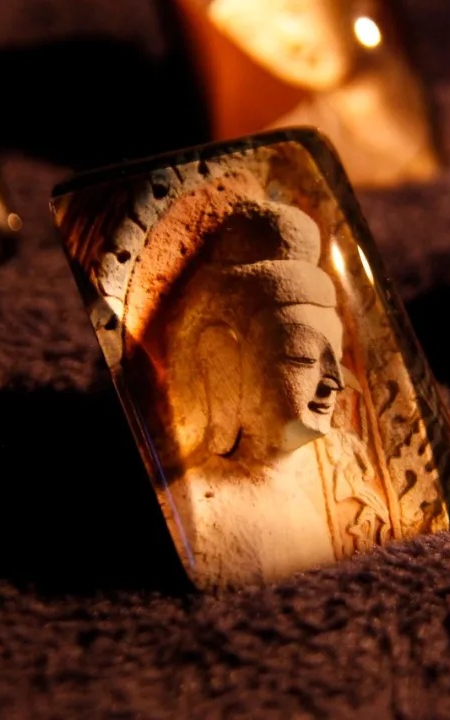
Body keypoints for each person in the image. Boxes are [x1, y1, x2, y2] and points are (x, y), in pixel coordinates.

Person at [161, 199, 394, 587]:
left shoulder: (304, 498)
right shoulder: (202, 509)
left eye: (335, 359)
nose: (334, 382)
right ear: (224, 361)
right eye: (301, 357)